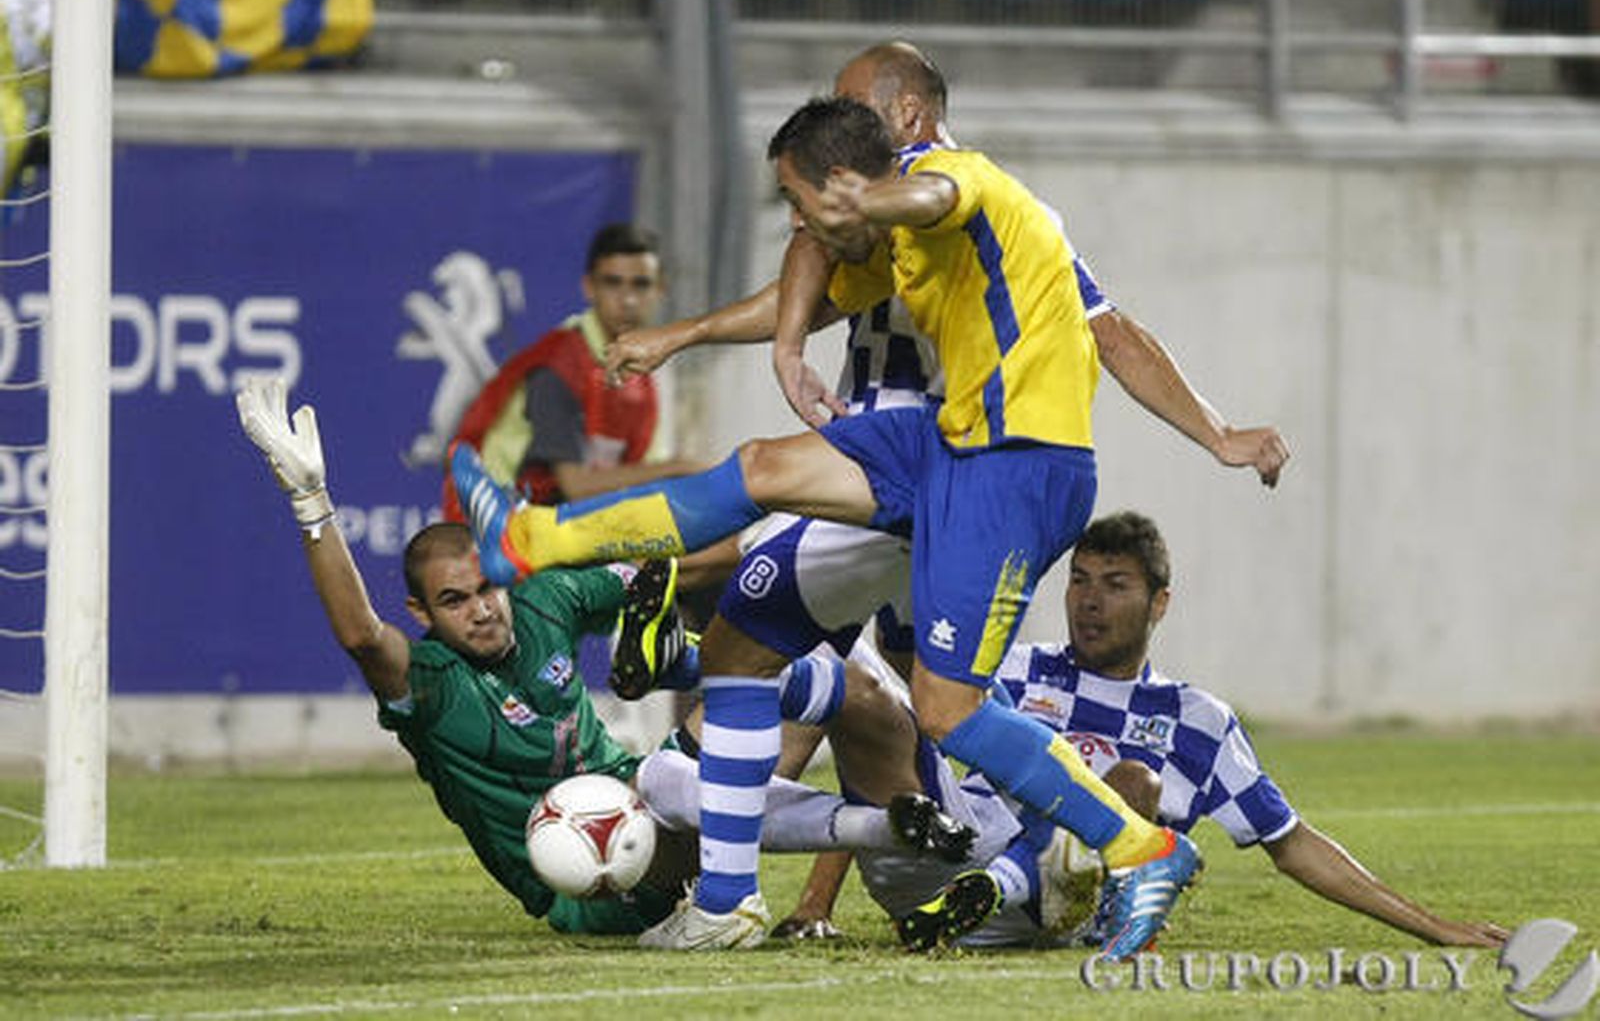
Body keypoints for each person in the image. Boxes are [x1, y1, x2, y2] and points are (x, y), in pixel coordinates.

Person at [451, 91, 1290, 959]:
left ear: (875, 151)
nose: (797, 220)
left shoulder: (961, 182)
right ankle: (531, 540)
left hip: (1018, 467)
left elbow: (933, 198)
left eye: (799, 198)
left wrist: (868, 198)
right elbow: (806, 289)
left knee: (947, 708)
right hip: (947, 439)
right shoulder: (896, 251)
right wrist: (703, 337)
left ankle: (1138, 847)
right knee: (761, 472)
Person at [233, 377, 972, 936]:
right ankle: (783, 851)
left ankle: (863, 854)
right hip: (582, 880)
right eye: (454, 602)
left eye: (488, 587)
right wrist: (312, 504)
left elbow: (671, 562)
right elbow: (362, 635)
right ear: (422, 615)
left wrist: (788, 528)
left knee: (828, 681)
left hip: (646, 790)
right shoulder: (429, 684)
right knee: (682, 781)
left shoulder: (542, 600)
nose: (484, 608)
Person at [797, 512, 1509, 952]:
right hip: (944, 860)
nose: (1089, 600)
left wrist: (1433, 926)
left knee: (1129, 785)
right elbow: (892, 764)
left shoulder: (1196, 720)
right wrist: (815, 906)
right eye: (1079, 580)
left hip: (1058, 911)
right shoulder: (1010, 669)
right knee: (866, 691)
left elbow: (1292, 843)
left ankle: (1009, 885)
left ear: (1160, 602)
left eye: (1115, 583)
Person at [442, 223, 700, 521]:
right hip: (498, 532)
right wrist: (678, 467)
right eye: (613, 283)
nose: (628, 300)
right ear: (589, 287)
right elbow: (577, 486)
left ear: (660, 290)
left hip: (568, 525)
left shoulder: (649, 374)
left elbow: (643, 475)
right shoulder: (559, 365)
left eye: (640, 284)